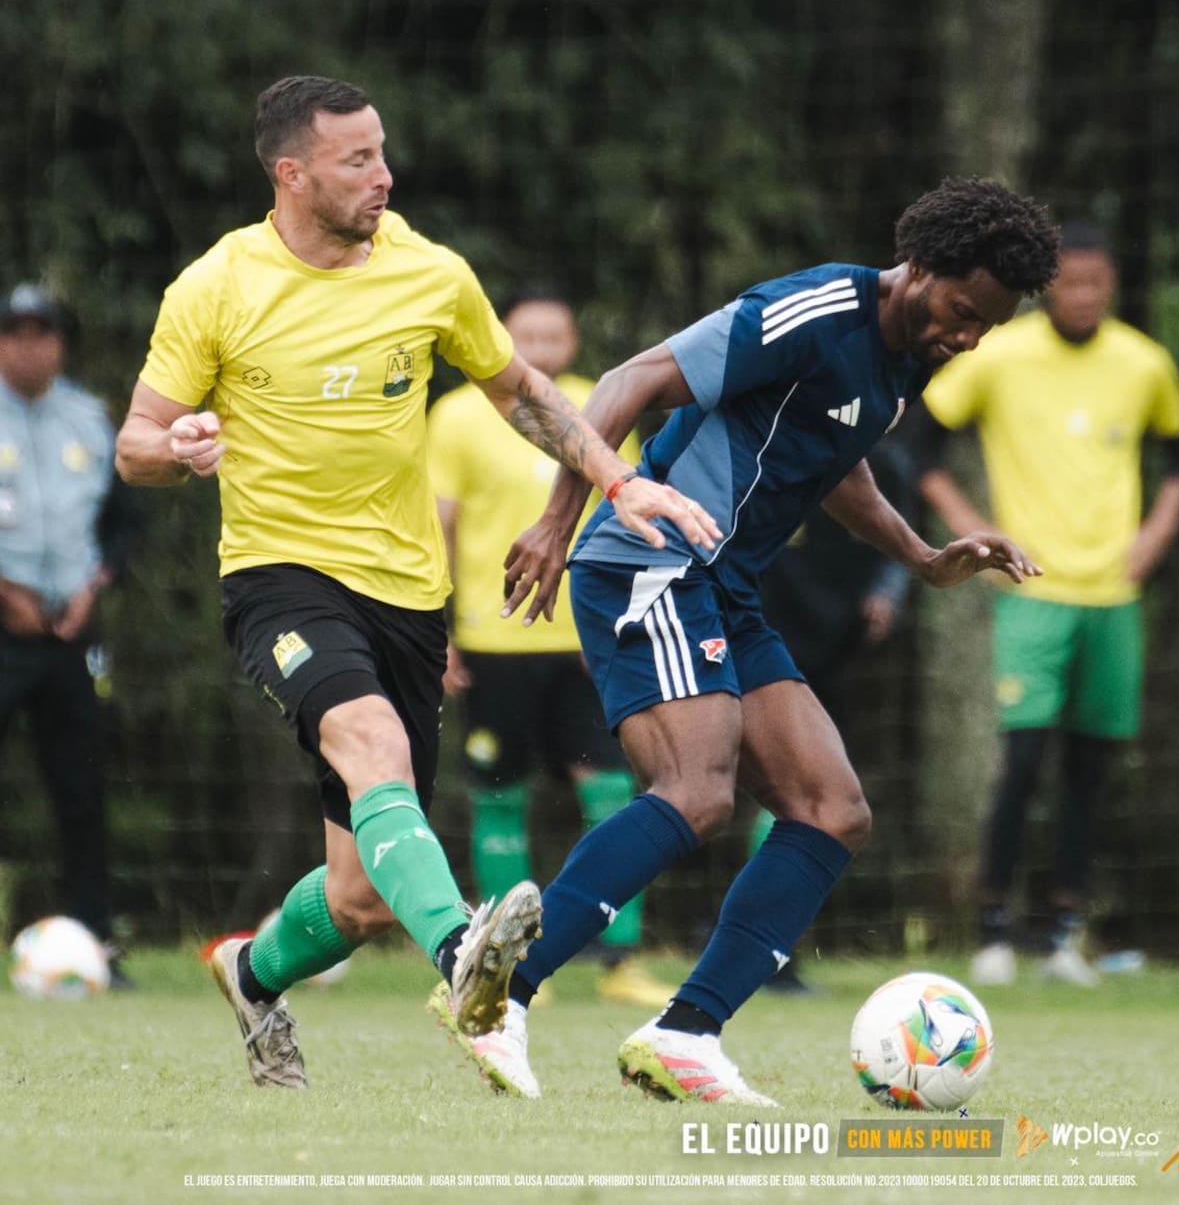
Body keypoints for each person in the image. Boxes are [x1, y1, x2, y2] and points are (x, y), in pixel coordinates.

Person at [114, 74, 718, 1088]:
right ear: (291, 174)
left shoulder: (431, 274)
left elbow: (521, 393)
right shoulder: (215, 286)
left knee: (356, 899)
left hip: (406, 597)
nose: (384, 175)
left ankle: (253, 974)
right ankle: (462, 959)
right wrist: (176, 450)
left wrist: (617, 480)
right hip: (279, 576)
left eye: (383, 151)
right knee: (373, 743)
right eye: (357, 160)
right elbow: (135, 442)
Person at [432, 175, 1060, 1103]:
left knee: (831, 809)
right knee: (697, 790)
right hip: (653, 556)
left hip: (724, 584)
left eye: (987, 329)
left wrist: (924, 559)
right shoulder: (816, 309)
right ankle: (496, 994)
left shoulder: (908, 356)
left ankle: (684, 1034)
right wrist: (560, 520)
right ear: (921, 267)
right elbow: (628, 380)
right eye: (964, 313)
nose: (967, 338)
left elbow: (835, 461)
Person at [917, 221, 1179, 987]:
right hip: (1032, 590)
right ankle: (994, 933)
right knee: (1024, 758)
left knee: (1091, 768)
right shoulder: (1000, 355)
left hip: (1114, 593)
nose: (1084, 295)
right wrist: (973, 532)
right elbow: (918, 449)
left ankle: (1064, 934)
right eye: (1070, 283)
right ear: (1048, 288)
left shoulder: (1144, 363)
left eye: (1097, 283)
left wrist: (1156, 535)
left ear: (1111, 285)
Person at [428, 288, 672, 1009]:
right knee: (501, 793)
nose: (539, 346)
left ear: (572, 341)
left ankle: (619, 957)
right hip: (493, 637)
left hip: (585, 640)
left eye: (553, 334)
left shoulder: (598, 406)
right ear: (501, 337)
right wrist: (439, 628)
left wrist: (624, 620)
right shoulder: (457, 414)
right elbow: (438, 525)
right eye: (524, 334)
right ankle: (502, 962)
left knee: (613, 793)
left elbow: (628, 518)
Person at [0, 283, 139, 987]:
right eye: (16, 333)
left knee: (82, 789)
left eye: (43, 333)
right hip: (5, 627)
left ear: (59, 343)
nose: (30, 347)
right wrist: (6, 594)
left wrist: (92, 589)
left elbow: (122, 522)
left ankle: (95, 944)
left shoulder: (90, 417)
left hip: (70, 633)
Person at [750, 431, 919, 993]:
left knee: (812, 802)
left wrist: (888, 595)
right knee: (746, 797)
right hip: (755, 647)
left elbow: (901, 538)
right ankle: (758, 948)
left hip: (832, 654)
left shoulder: (884, 465)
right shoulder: (767, 454)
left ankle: (771, 950)